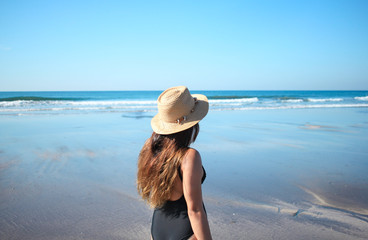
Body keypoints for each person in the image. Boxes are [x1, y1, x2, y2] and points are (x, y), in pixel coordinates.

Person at [137, 86, 212, 240]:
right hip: (186, 232)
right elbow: (195, 210)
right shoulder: (189, 156)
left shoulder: (150, 148)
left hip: (157, 230)